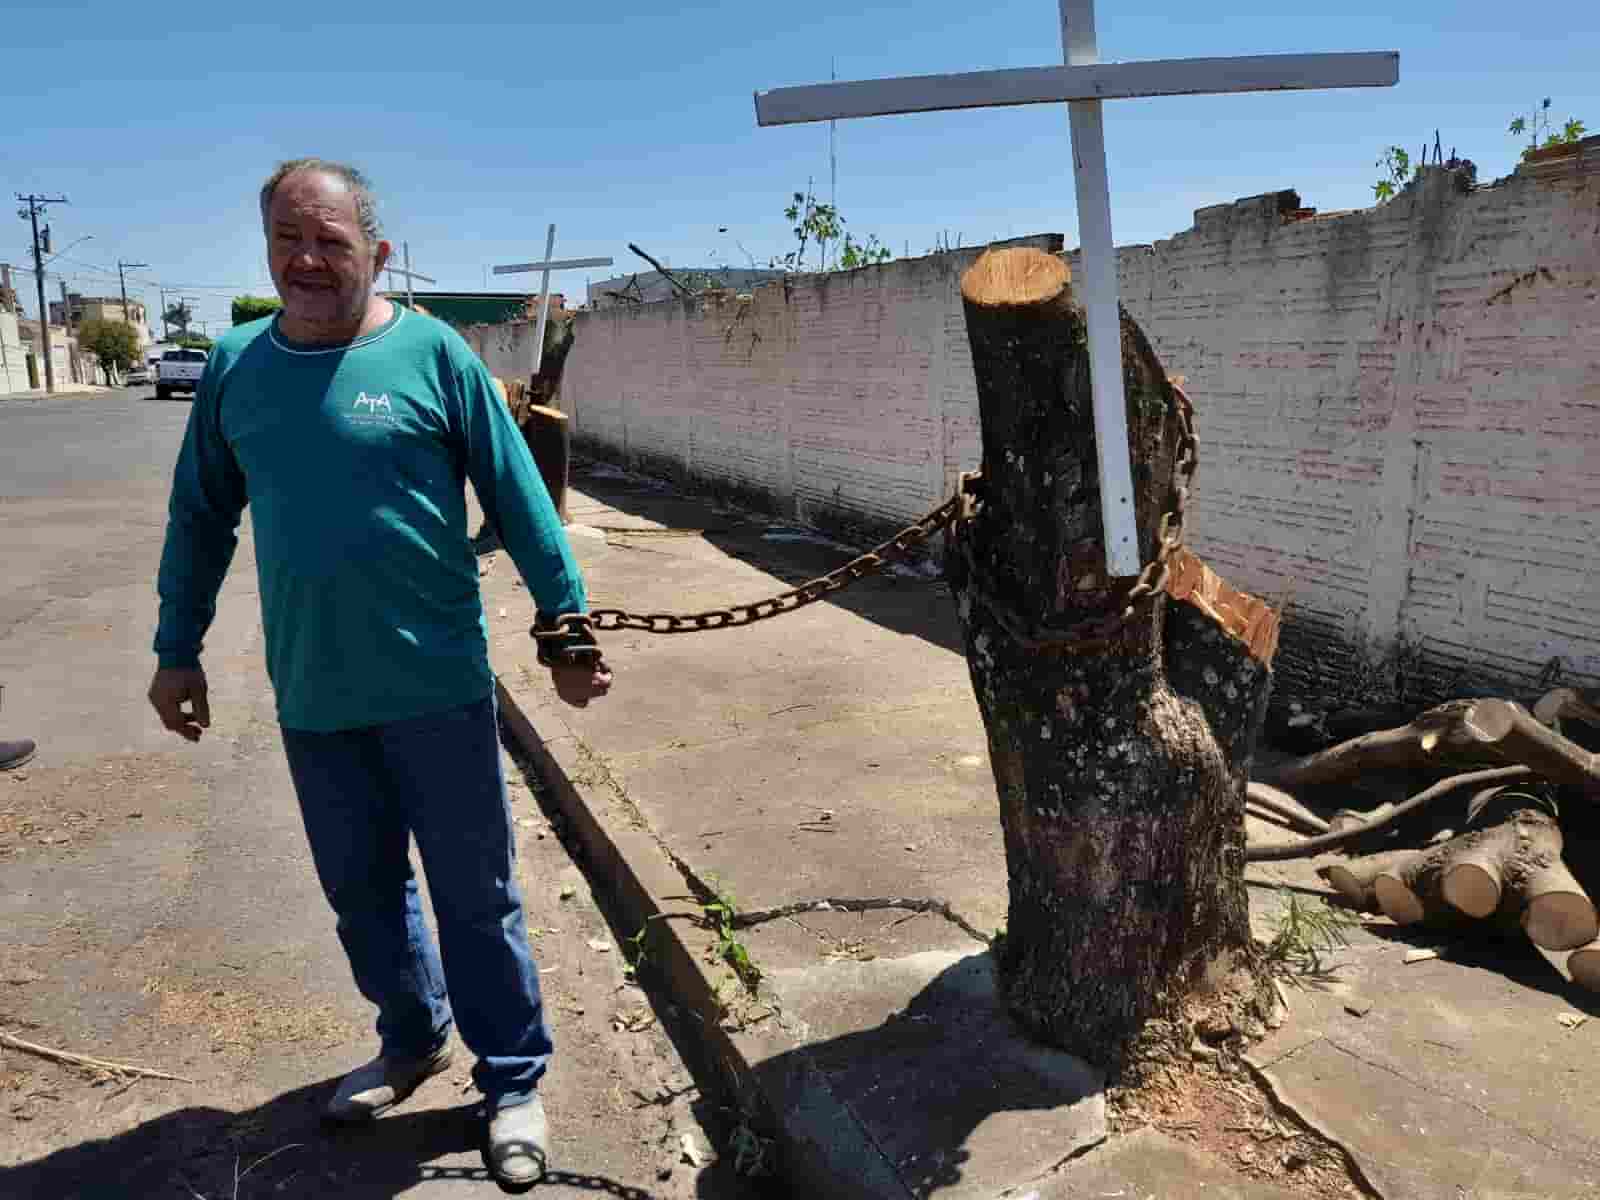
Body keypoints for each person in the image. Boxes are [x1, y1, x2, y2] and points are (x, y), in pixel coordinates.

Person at [148, 158, 611, 1186]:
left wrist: (566, 622)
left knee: (474, 896)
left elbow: (520, 498)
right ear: (267, 245)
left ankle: (512, 1079)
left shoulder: (433, 355)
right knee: (361, 895)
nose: (307, 260)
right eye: (287, 241)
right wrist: (177, 647)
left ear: (377, 252)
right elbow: (201, 515)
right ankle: (411, 1041)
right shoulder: (235, 365)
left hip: (437, 688)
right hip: (314, 695)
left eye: (331, 242)